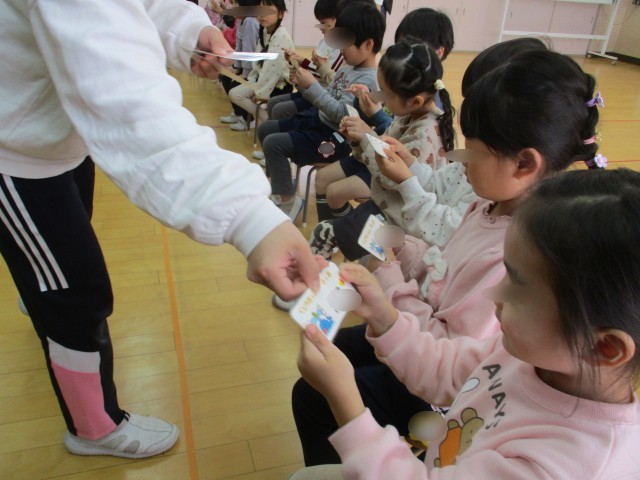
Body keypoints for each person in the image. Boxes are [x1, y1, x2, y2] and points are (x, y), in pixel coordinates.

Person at [0, 0, 321, 460]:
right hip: (16, 156)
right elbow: (123, 99)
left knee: (59, 273)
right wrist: (251, 220)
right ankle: (94, 428)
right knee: (76, 298)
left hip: (56, 136)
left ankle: (42, 291)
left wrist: (187, 31)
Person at [292, 48, 606, 466]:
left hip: (435, 387)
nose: (460, 162)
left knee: (315, 394)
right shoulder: (487, 204)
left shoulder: (515, 250)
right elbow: (442, 268)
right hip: (424, 334)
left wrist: (390, 280)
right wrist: (400, 256)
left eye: (472, 154)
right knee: (335, 350)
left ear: (524, 163)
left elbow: (449, 361)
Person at [294, 167, 640, 480]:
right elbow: (444, 369)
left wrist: (347, 403)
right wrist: (384, 316)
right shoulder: (529, 354)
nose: (494, 294)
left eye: (516, 287)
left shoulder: (562, 465)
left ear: (605, 347)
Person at [305, 40, 465, 265]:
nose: (380, 97)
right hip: (387, 205)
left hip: (397, 217)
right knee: (335, 236)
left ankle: (321, 276)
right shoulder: (409, 114)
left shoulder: (424, 134)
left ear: (415, 101)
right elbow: (383, 149)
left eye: (385, 94)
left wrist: (365, 137)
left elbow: (391, 179)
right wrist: (360, 138)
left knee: (325, 235)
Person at [314, 8, 456, 224]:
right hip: (376, 169)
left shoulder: (423, 126)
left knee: (339, 205)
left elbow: (394, 176)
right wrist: (365, 121)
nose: (404, 53)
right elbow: (387, 132)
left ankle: (336, 229)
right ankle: (335, 228)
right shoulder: (408, 104)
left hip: (394, 205)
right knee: (327, 187)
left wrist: (366, 133)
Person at [257, 1, 385, 221]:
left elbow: (342, 114)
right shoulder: (351, 65)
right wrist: (310, 78)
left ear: (367, 44)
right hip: (318, 122)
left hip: (334, 139)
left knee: (273, 143)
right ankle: (282, 187)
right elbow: (332, 89)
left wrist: (311, 86)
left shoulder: (369, 80)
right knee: (266, 129)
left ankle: (288, 201)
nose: (340, 48)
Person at [226, 0, 294, 131]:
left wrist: (260, 92)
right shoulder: (264, 32)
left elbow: (273, 70)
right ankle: (268, 119)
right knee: (234, 93)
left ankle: (270, 123)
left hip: (279, 84)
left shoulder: (281, 36)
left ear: (280, 14)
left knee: (237, 93)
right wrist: (252, 80)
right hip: (264, 79)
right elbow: (258, 63)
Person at [219, 0, 262, 126]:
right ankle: (238, 114)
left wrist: (245, 74)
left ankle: (248, 119)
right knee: (226, 76)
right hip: (246, 66)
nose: (233, 7)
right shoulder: (241, 21)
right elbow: (239, 47)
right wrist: (236, 67)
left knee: (235, 84)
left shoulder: (250, 22)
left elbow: (249, 51)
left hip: (255, 68)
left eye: (235, 4)